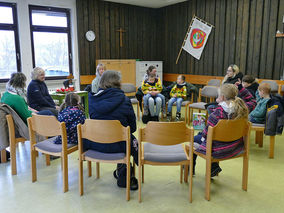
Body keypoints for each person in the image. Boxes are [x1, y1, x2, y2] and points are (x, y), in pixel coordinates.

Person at [86, 70, 138, 190]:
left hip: (96, 145)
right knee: (130, 139)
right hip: (119, 146)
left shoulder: (92, 100)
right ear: (118, 83)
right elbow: (133, 128)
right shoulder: (124, 100)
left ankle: (122, 169)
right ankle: (124, 170)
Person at [194, 84, 249, 177]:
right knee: (205, 136)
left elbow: (206, 134)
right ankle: (213, 168)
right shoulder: (241, 110)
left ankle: (190, 170)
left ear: (222, 97)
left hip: (219, 149)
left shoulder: (216, 113)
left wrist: (202, 135)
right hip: (235, 146)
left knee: (194, 138)